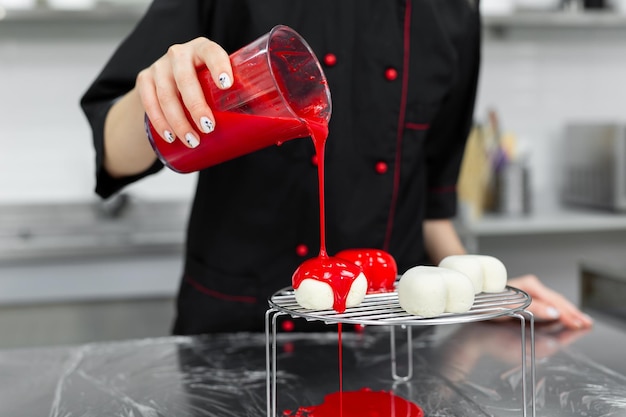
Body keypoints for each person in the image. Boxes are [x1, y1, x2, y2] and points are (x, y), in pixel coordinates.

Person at [81, 0, 593, 334]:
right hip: (236, 332)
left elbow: (434, 208)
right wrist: (159, 95)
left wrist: (481, 295)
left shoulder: (453, 10)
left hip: (391, 338)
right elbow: (113, 152)